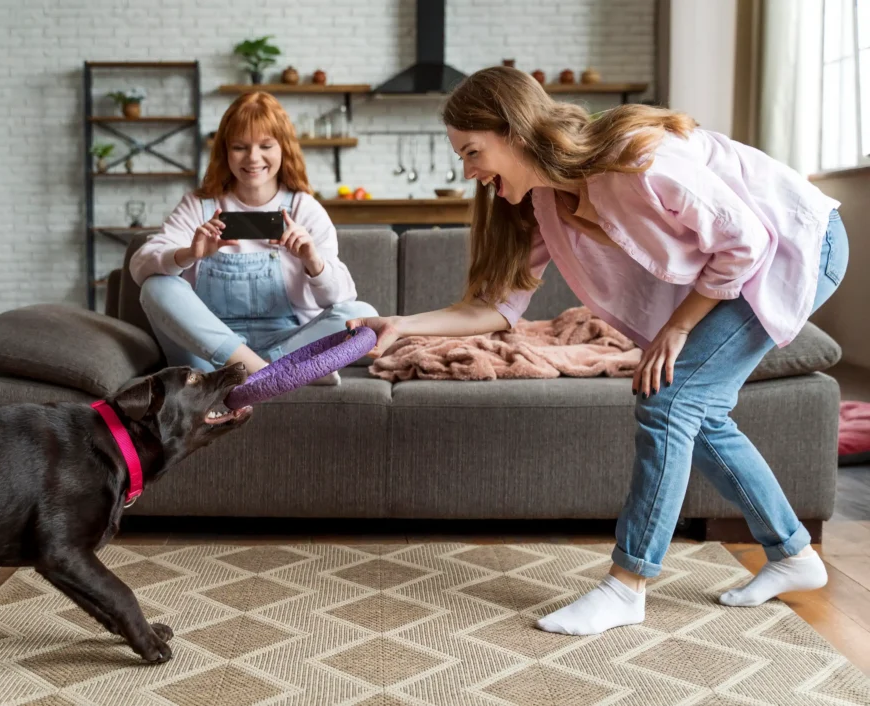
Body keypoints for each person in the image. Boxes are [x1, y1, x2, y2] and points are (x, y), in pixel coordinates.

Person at [347, 66, 848, 636]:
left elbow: (747, 242)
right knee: (696, 410)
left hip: (799, 241)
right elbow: (496, 309)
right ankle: (792, 554)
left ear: (512, 132)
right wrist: (402, 325)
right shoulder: (547, 205)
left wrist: (678, 329)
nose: (468, 171)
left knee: (668, 402)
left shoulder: (633, 162)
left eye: (472, 151)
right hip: (745, 260)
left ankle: (626, 586)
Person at [130, 91, 376, 384]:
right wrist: (189, 254)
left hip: (284, 341)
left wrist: (313, 260)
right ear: (225, 151)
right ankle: (276, 375)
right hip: (207, 353)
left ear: (283, 148)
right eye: (240, 147)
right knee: (156, 286)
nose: (253, 158)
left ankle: (250, 372)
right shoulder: (200, 205)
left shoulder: (303, 208)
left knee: (363, 316)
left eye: (265, 145)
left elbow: (341, 299)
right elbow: (139, 265)